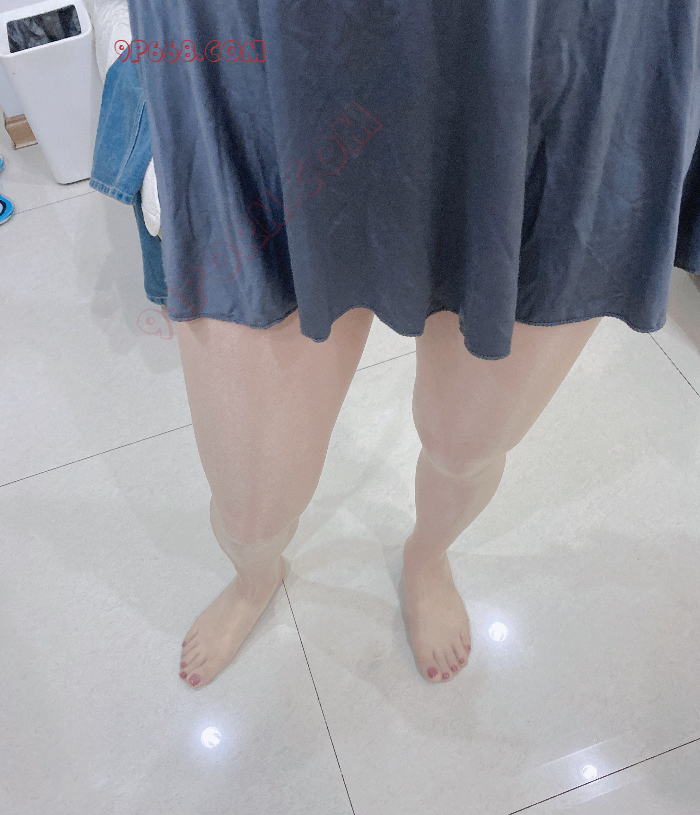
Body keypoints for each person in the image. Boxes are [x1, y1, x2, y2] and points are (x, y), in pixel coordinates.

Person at [123, 0, 700, 688]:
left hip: (550, 35)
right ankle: (255, 578)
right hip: (259, 39)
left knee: (466, 446)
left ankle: (427, 555)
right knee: (251, 508)